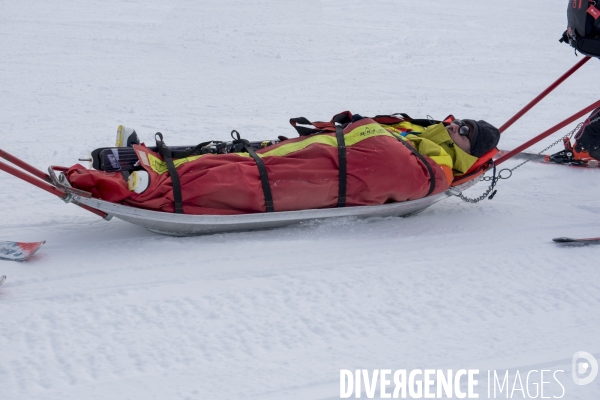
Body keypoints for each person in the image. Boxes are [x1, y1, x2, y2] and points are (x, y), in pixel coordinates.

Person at [66, 113, 501, 215]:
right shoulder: (423, 130)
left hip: (335, 170)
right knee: (240, 158)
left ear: (468, 147)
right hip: (328, 152)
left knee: (246, 177)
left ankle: (144, 184)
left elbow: (411, 178)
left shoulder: (440, 162)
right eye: (458, 121)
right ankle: (144, 162)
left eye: (463, 129)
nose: (454, 125)